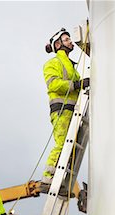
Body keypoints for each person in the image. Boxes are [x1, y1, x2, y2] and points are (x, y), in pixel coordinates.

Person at [42, 28, 90, 185]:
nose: (70, 42)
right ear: (58, 44)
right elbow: (54, 84)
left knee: (71, 149)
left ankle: (62, 182)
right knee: (62, 144)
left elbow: (77, 85)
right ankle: (47, 179)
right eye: (67, 39)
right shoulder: (53, 63)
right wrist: (77, 84)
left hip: (74, 111)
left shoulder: (71, 65)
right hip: (61, 111)